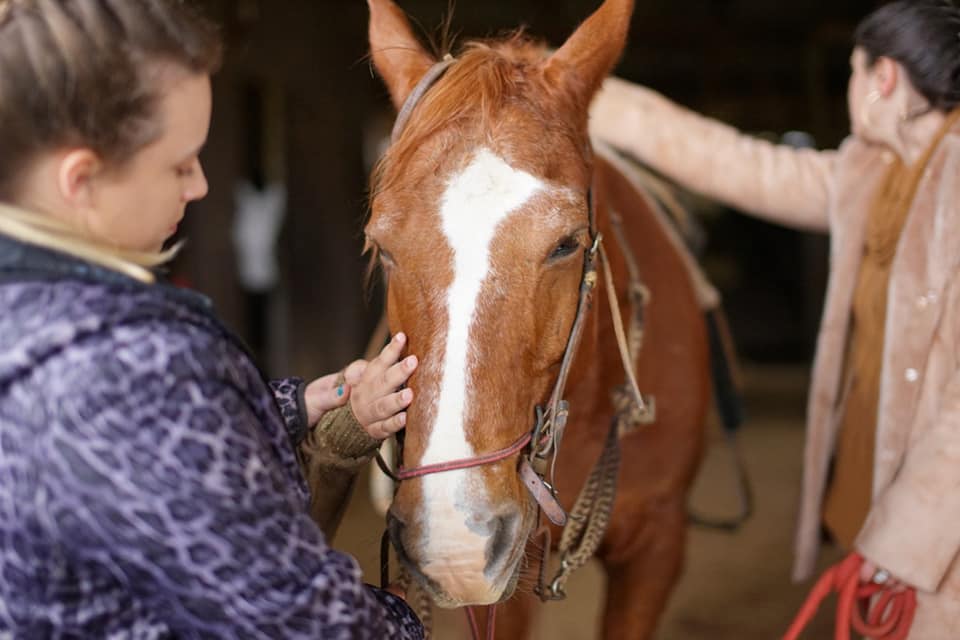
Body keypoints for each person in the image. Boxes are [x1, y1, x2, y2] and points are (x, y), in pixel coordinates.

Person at [0, 1, 422, 638]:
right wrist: (399, 615)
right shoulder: (139, 371)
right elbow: (307, 626)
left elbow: (131, 465)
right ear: (80, 181)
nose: (198, 185)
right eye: (178, 162)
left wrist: (305, 401)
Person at [590, 0, 960, 635]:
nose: (850, 86)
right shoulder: (874, 172)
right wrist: (593, 93)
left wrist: (904, 542)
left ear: (884, 78)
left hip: (936, 537)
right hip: (886, 510)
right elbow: (747, 166)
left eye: (852, 69)